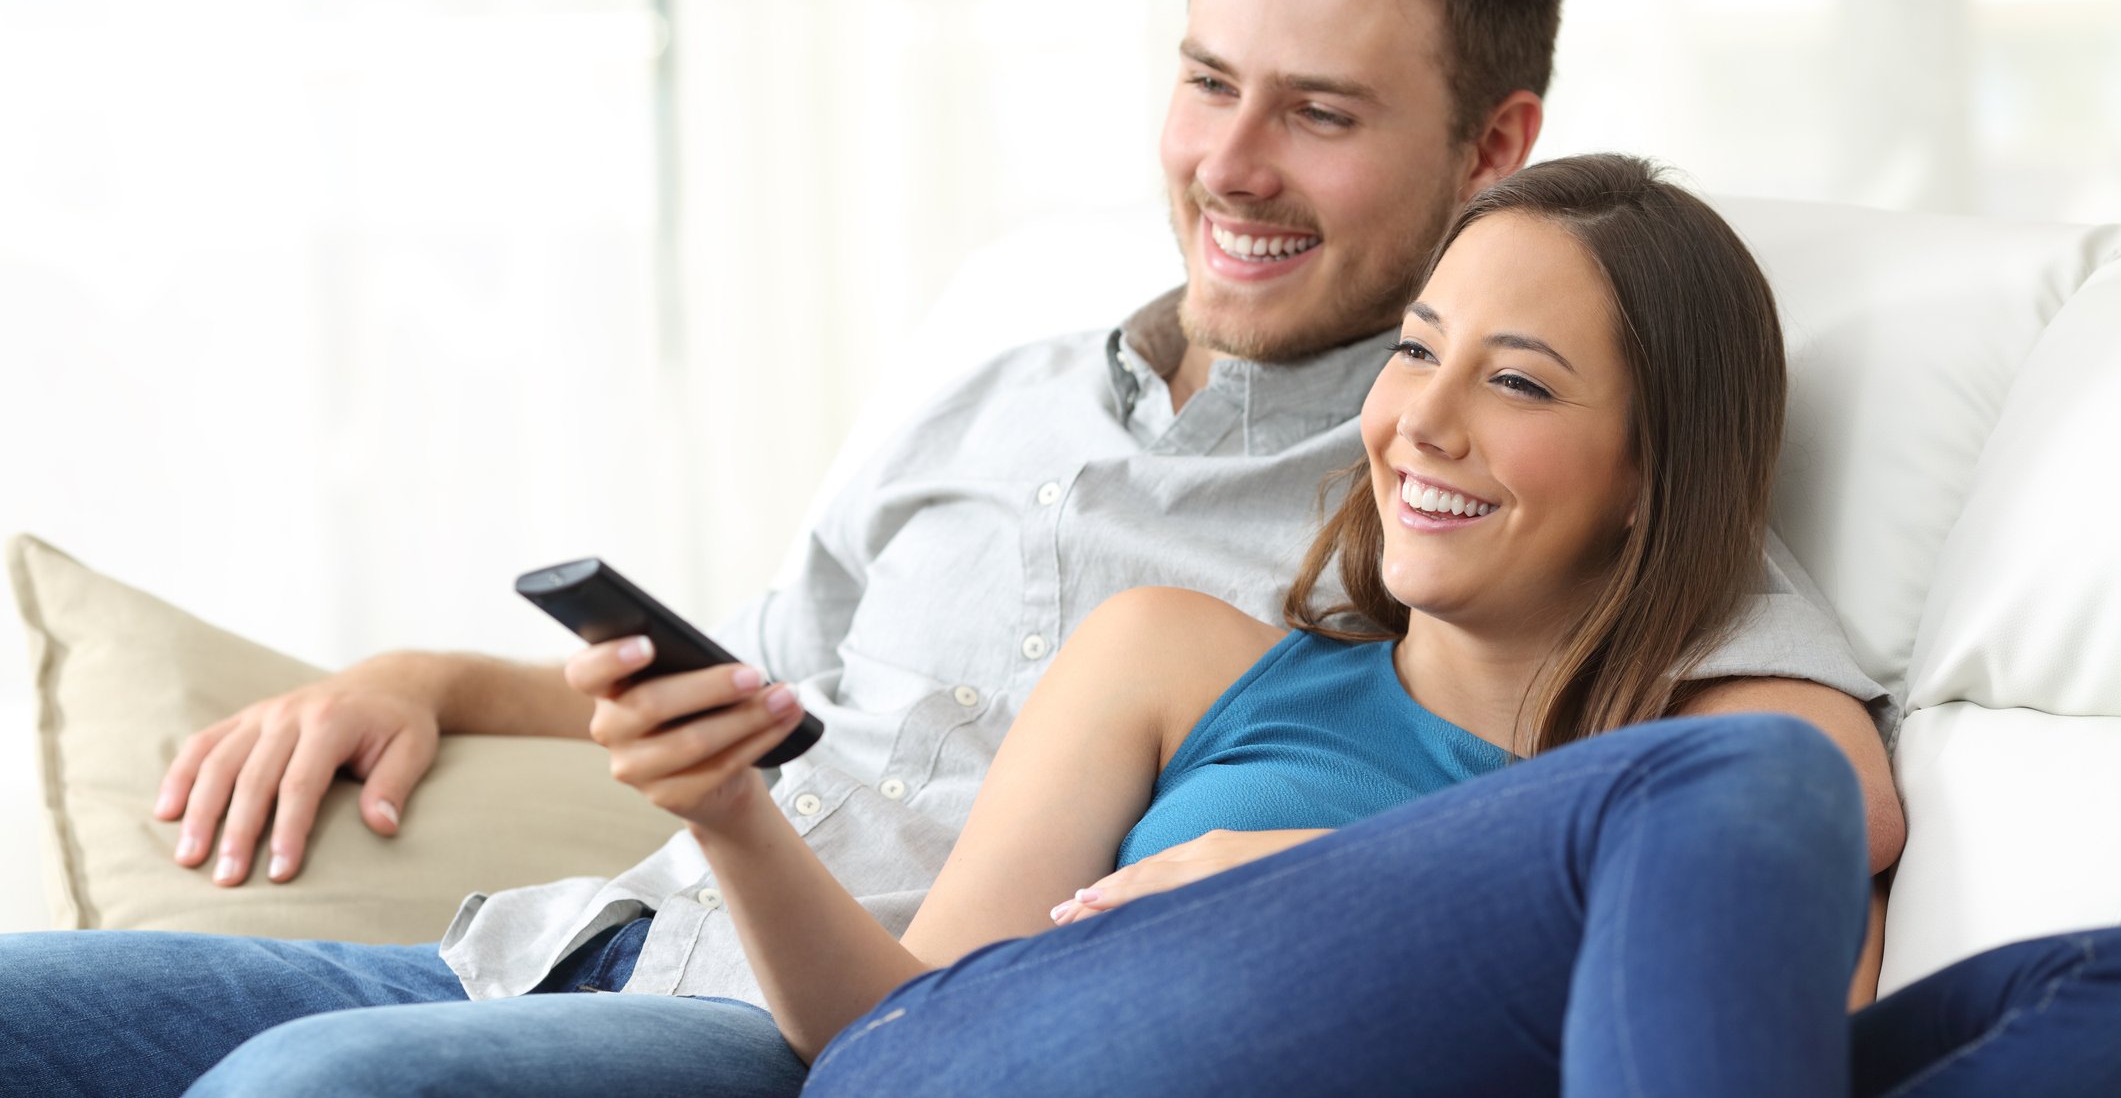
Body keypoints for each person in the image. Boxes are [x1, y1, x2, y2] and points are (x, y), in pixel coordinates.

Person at [0, 0, 1894, 1095]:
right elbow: (768, 685)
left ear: (1493, 143)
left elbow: (1760, 784)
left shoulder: (1476, 481)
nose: (1231, 164)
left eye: (1317, 113)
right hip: (543, 943)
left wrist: (1302, 868)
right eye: (1207, 80)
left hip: (801, 1028)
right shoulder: (998, 381)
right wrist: (422, 680)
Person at [581, 154, 2121, 1096]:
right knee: (1760, 794)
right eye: (1415, 352)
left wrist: (1302, 873)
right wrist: (729, 811)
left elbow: (1770, 1046)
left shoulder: (1710, 778)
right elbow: (887, 1046)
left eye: (1515, 382)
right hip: (1000, 1064)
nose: (1416, 424)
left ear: (1652, 472)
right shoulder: (1176, 655)